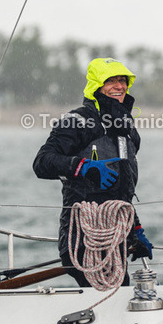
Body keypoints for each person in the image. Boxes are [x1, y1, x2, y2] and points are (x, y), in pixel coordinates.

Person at [33, 58, 153, 287]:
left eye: (123, 80)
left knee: (120, 291)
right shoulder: (77, 121)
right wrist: (83, 167)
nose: (120, 86)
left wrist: (135, 228)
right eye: (111, 81)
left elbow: (123, 189)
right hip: (82, 237)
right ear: (96, 85)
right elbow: (42, 162)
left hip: (116, 238)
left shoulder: (127, 129)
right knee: (111, 295)